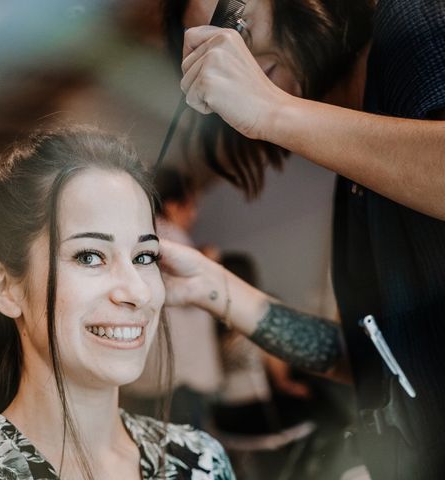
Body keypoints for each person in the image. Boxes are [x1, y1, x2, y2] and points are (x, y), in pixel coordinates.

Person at [159, 0, 445, 479]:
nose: (233, 55)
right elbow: (371, 357)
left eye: (231, 22)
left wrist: (275, 111)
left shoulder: (414, 24)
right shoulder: (356, 186)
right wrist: (218, 290)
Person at [0, 127, 234, 479]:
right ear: (5, 288)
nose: (138, 292)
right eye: (90, 256)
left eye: (145, 256)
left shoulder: (201, 459)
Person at [122, 168, 223, 429]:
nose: (194, 214)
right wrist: (209, 265)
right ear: (173, 205)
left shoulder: (138, 239)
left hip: (149, 377)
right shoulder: (172, 240)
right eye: (191, 205)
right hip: (179, 380)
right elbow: (198, 293)